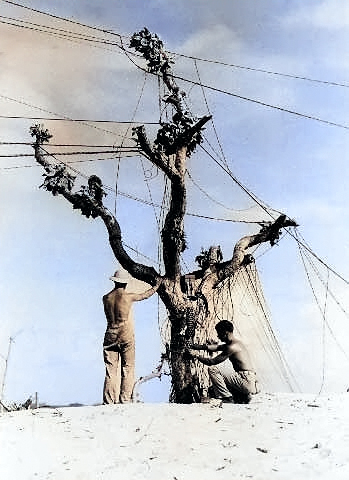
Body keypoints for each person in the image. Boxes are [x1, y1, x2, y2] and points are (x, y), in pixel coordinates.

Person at [102, 270, 161, 404]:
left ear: (115, 281)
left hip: (110, 333)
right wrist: (157, 286)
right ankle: (125, 400)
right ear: (125, 283)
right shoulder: (128, 297)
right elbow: (145, 295)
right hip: (125, 333)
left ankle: (109, 401)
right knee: (127, 368)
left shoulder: (106, 298)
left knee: (111, 370)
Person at [186, 320, 259, 404]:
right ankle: (242, 397)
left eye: (219, 333)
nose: (218, 336)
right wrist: (196, 346)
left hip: (246, 380)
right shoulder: (235, 343)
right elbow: (216, 347)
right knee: (212, 390)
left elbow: (212, 362)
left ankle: (227, 398)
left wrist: (196, 355)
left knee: (213, 369)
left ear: (225, 333)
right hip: (249, 381)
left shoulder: (232, 347)